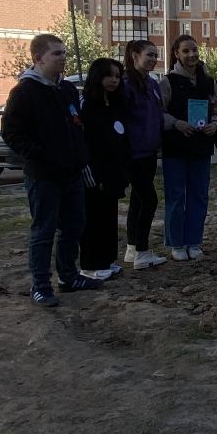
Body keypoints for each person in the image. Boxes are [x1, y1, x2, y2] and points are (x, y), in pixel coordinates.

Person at [0, 33, 102, 306]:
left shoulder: (66, 89)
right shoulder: (25, 92)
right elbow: (12, 132)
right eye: (57, 54)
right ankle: (41, 285)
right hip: (44, 175)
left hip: (72, 173)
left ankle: (69, 276)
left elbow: (76, 126)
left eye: (65, 53)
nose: (63, 59)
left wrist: (79, 156)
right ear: (38, 58)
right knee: (44, 230)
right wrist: (41, 156)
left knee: (74, 226)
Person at [161, 34, 217, 262]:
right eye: (186, 51)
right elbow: (160, 112)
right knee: (176, 197)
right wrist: (176, 123)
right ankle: (176, 242)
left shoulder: (208, 82)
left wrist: (215, 125)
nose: (191, 55)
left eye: (194, 50)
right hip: (175, 149)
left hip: (201, 148)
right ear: (176, 54)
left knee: (199, 196)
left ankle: (194, 241)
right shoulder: (167, 82)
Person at [79, 56, 131, 281]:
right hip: (94, 170)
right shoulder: (88, 105)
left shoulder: (116, 103)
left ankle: (108, 259)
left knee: (109, 217)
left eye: (118, 76)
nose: (114, 80)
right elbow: (84, 140)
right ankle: (91, 264)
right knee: (93, 219)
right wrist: (89, 169)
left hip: (114, 170)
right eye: (109, 76)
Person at [119, 39, 168, 270]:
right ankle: (142, 251)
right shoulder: (126, 84)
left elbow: (157, 114)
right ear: (134, 56)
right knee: (150, 200)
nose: (153, 59)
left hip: (149, 151)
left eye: (155, 55)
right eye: (149, 54)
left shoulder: (152, 84)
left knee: (138, 201)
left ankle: (132, 248)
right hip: (133, 153)